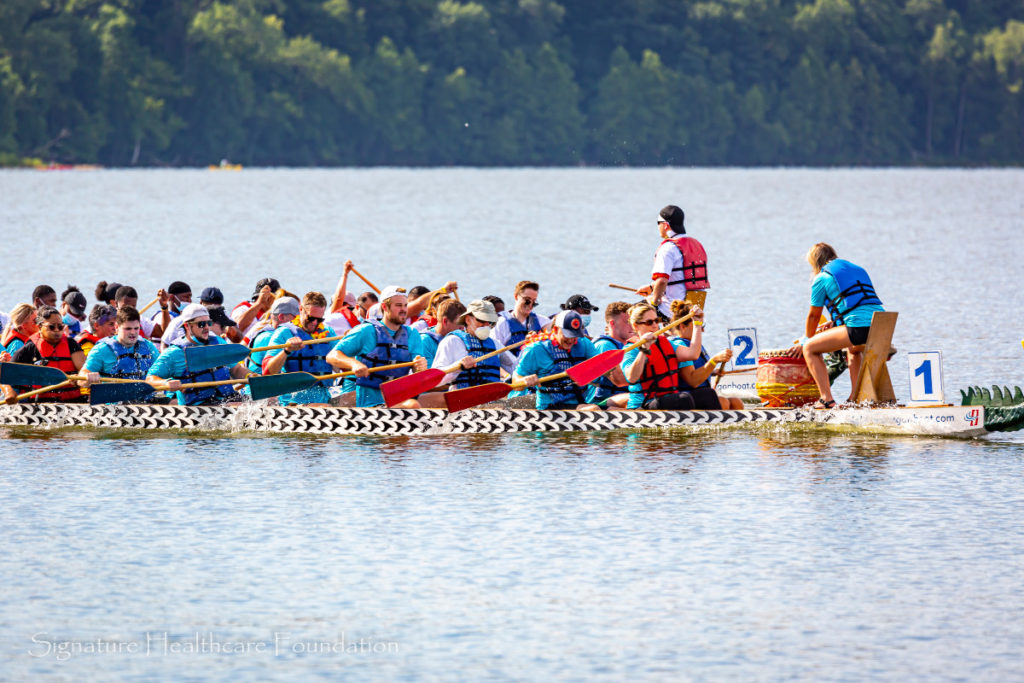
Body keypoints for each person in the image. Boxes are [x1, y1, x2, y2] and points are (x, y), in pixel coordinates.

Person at [786, 242, 885, 408]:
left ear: (815, 262)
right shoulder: (856, 270)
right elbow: (860, 305)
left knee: (810, 348)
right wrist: (835, 323)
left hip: (859, 328)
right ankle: (856, 397)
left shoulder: (822, 278)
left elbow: (813, 316)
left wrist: (806, 340)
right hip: (881, 325)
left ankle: (826, 399)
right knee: (853, 350)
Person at [326, 286, 427, 408]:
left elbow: (418, 373)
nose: (404, 310)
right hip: (369, 407)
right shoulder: (366, 330)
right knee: (413, 405)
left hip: (396, 401)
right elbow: (332, 356)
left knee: (416, 404)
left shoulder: (413, 334)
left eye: (405, 305)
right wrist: (354, 364)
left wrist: (420, 367)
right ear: (384, 307)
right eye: (398, 305)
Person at [514, 310, 625, 411]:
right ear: (556, 330)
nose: (571, 340)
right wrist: (525, 380)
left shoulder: (584, 343)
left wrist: (608, 368)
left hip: (581, 404)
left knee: (619, 410)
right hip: (550, 408)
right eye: (568, 335)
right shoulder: (536, 350)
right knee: (594, 409)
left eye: (575, 335)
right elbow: (516, 382)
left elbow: (617, 379)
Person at [146, 303, 254, 406]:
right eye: (201, 324)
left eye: (209, 323)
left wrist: (250, 376)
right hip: (198, 407)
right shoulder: (175, 353)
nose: (207, 327)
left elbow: (236, 370)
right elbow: (150, 379)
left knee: (266, 400)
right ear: (187, 326)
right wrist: (166, 383)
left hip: (228, 399)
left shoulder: (219, 343)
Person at [620, 302, 704, 410]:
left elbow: (693, 354)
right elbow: (631, 378)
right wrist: (644, 349)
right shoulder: (630, 350)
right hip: (642, 406)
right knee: (683, 399)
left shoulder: (667, 343)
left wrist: (697, 324)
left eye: (656, 321)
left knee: (706, 395)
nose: (655, 325)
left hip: (667, 399)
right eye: (649, 322)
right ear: (636, 326)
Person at [3, 306, 94, 403]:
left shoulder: (71, 344)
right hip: (40, 406)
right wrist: (9, 391)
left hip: (73, 403)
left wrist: (81, 380)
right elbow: (4, 374)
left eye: (60, 326)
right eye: (51, 327)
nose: (56, 330)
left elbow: (84, 370)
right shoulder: (29, 349)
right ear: (39, 326)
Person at [262, 292, 339, 405]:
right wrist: (286, 351)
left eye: (319, 320)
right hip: (293, 401)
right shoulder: (284, 332)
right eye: (311, 318)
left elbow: (343, 363)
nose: (314, 323)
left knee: (355, 397)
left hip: (324, 397)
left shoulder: (328, 332)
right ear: (301, 310)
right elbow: (267, 371)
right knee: (323, 407)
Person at [636, 204, 709, 318]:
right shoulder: (697, 245)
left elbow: (662, 281)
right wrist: (651, 288)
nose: (658, 226)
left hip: (671, 310)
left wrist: (654, 304)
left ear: (666, 225)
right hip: (694, 309)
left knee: (631, 313)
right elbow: (680, 277)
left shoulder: (668, 248)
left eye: (658, 223)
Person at [670, 301, 743, 409]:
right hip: (686, 398)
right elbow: (692, 380)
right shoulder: (680, 346)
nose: (702, 330)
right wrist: (714, 361)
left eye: (702, 325)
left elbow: (698, 369)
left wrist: (712, 371)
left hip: (701, 393)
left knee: (736, 402)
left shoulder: (693, 344)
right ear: (682, 327)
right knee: (723, 402)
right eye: (697, 325)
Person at [431, 299, 512, 390]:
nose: (486, 325)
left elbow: (517, 369)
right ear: (468, 319)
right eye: (482, 320)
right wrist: (458, 366)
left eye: (489, 322)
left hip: (492, 399)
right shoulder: (451, 341)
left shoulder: (496, 344)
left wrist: (529, 347)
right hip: (462, 399)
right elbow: (435, 380)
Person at [84, 306, 160, 381]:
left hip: (144, 393)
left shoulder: (148, 346)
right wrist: (87, 377)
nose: (133, 333)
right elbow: (81, 379)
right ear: (117, 327)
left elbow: (163, 371)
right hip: (112, 393)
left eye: (136, 328)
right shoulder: (101, 350)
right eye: (128, 329)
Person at [492, 280, 551, 375]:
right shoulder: (501, 324)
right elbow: (494, 357)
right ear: (516, 296)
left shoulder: (543, 321)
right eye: (527, 301)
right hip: (512, 374)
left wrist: (538, 339)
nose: (530, 305)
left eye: (534, 302)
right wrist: (506, 376)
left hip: (537, 375)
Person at [585, 301, 634, 408]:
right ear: (612, 323)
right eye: (627, 322)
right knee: (637, 397)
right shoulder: (604, 345)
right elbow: (620, 381)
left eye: (633, 321)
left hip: (620, 397)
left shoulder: (631, 345)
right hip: (599, 402)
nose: (632, 326)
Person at [247, 297, 301, 374]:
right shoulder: (269, 338)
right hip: (262, 383)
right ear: (281, 317)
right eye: (296, 318)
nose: (299, 322)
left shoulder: (268, 329)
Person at [419, 299, 465, 368]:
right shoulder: (424, 341)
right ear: (445, 321)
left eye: (464, 324)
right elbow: (429, 375)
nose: (463, 328)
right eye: (460, 324)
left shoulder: (460, 338)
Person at [232, 278, 280, 342]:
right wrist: (259, 303)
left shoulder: (278, 312)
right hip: (245, 348)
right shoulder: (243, 308)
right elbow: (237, 329)